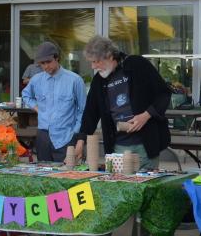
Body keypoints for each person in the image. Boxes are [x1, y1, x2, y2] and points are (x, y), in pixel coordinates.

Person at [72, 35, 172, 170]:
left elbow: (163, 93)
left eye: (96, 61)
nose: (93, 66)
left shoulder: (137, 64)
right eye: (92, 62)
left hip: (145, 144)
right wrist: (80, 141)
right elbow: (90, 113)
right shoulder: (99, 81)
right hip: (118, 146)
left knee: (147, 186)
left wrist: (146, 115)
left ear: (109, 56)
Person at [21, 41, 86, 163]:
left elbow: (83, 110)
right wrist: (36, 108)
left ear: (57, 58)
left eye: (48, 62)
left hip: (66, 137)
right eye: (42, 63)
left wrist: (76, 134)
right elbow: (25, 95)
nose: (46, 66)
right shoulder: (36, 80)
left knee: (67, 176)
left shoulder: (75, 80)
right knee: (43, 176)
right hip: (43, 136)